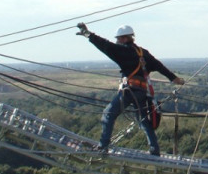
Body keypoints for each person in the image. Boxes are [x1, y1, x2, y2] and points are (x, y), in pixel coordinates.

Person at [77, 22, 184, 155]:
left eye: (118, 39)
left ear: (124, 38)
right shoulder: (143, 53)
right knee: (144, 120)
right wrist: (175, 79)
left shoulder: (123, 51)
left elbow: (105, 45)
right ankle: (154, 149)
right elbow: (159, 66)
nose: (117, 41)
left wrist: (88, 35)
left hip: (130, 91)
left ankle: (103, 146)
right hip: (142, 93)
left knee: (108, 114)